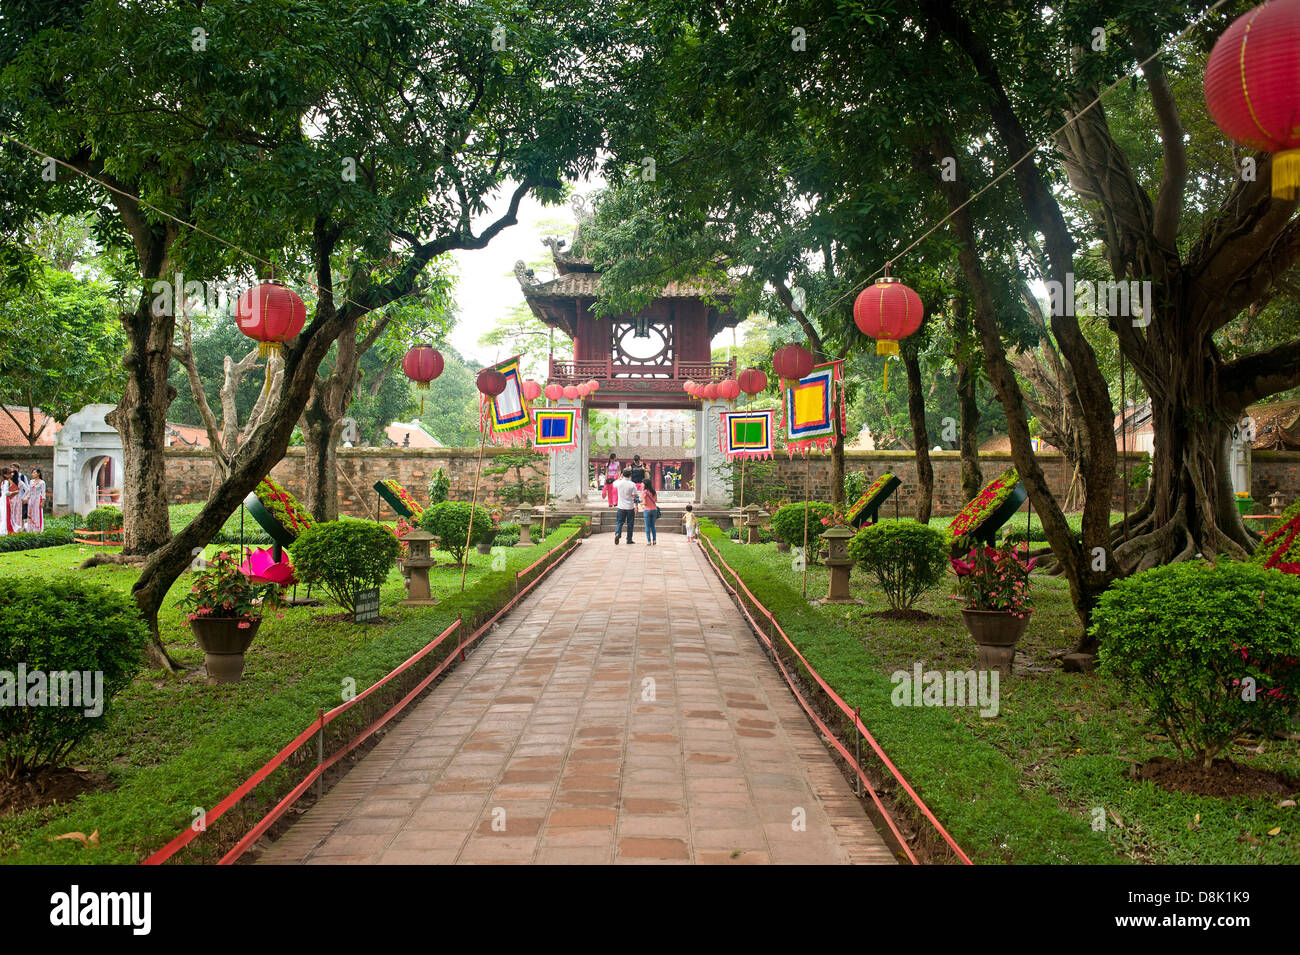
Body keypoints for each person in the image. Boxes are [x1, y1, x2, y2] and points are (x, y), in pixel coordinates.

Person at [613, 468, 638, 544]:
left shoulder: (618, 483)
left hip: (621, 506)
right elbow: (634, 496)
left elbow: (614, 485)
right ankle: (629, 539)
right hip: (630, 506)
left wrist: (620, 478)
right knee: (630, 523)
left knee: (619, 522)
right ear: (630, 475)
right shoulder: (632, 484)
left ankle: (617, 533)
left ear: (623, 474)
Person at [25, 468, 45, 532]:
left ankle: (37, 527)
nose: (33, 474)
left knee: (37, 513)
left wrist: (42, 502)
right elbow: (30, 491)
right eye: (32, 472)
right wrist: (28, 498)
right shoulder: (31, 481)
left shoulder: (42, 482)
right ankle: (30, 527)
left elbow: (43, 493)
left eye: (34, 472)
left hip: (38, 499)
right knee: (30, 512)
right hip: (31, 499)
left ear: (38, 474)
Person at [641, 480, 660, 545]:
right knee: (653, 526)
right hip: (654, 510)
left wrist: (640, 503)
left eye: (642, 483)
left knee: (647, 526)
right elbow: (656, 500)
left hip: (647, 510)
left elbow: (644, 503)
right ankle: (654, 540)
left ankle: (649, 541)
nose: (641, 484)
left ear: (645, 484)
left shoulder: (644, 492)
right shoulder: (654, 492)